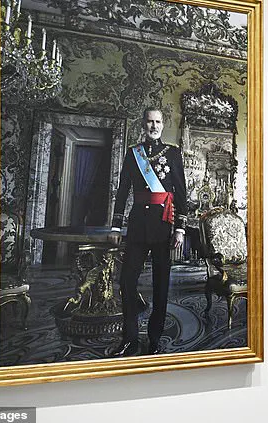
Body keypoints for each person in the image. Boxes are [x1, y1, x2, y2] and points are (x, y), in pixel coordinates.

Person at [107, 107, 188, 357]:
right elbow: (122, 191)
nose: (154, 126)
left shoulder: (173, 154)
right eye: (150, 121)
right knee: (127, 281)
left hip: (163, 226)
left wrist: (180, 229)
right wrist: (116, 225)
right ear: (143, 124)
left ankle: (154, 337)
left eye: (158, 122)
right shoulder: (133, 154)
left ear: (163, 125)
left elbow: (182, 193)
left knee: (161, 284)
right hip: (138, 225)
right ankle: (130, 337)